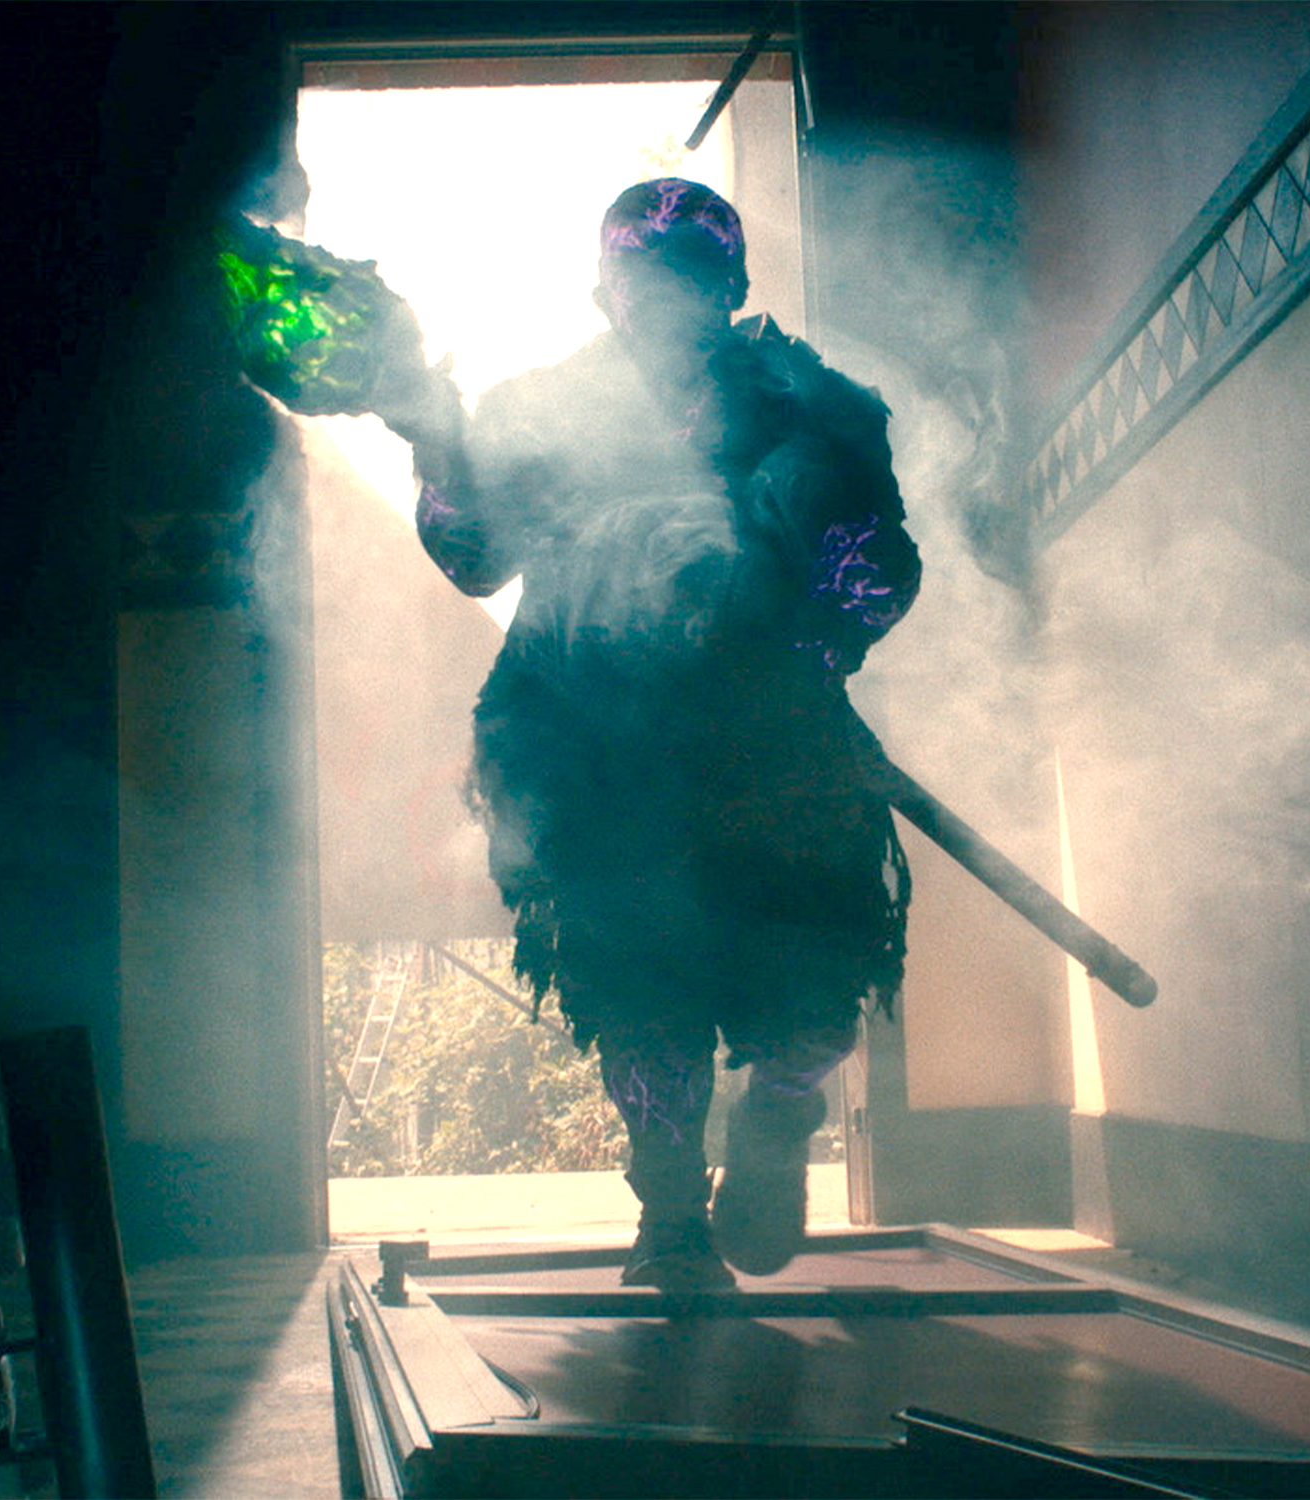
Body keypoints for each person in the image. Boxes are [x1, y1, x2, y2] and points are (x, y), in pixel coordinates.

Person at [367, 179, 920, 1292]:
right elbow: (476, 556)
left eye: (694, 276)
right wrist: (436, 446)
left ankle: (778, 1116)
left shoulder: (812, 408)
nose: (668, 299)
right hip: (594, 744)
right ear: (604, 290)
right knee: (638, 983)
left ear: (731, 287)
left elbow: (877, 572)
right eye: (644, 277)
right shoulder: (536, 410)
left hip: (772, 745)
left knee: (810, 983)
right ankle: (667, 1208)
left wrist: (801, 627)